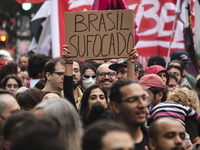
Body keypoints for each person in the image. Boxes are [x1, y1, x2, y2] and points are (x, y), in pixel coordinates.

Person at [109, 78, 149, 150]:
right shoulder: (104, 143)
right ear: (115, 106)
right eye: (132, 100)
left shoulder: (155, 138)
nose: (142, 105)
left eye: (144, 98)